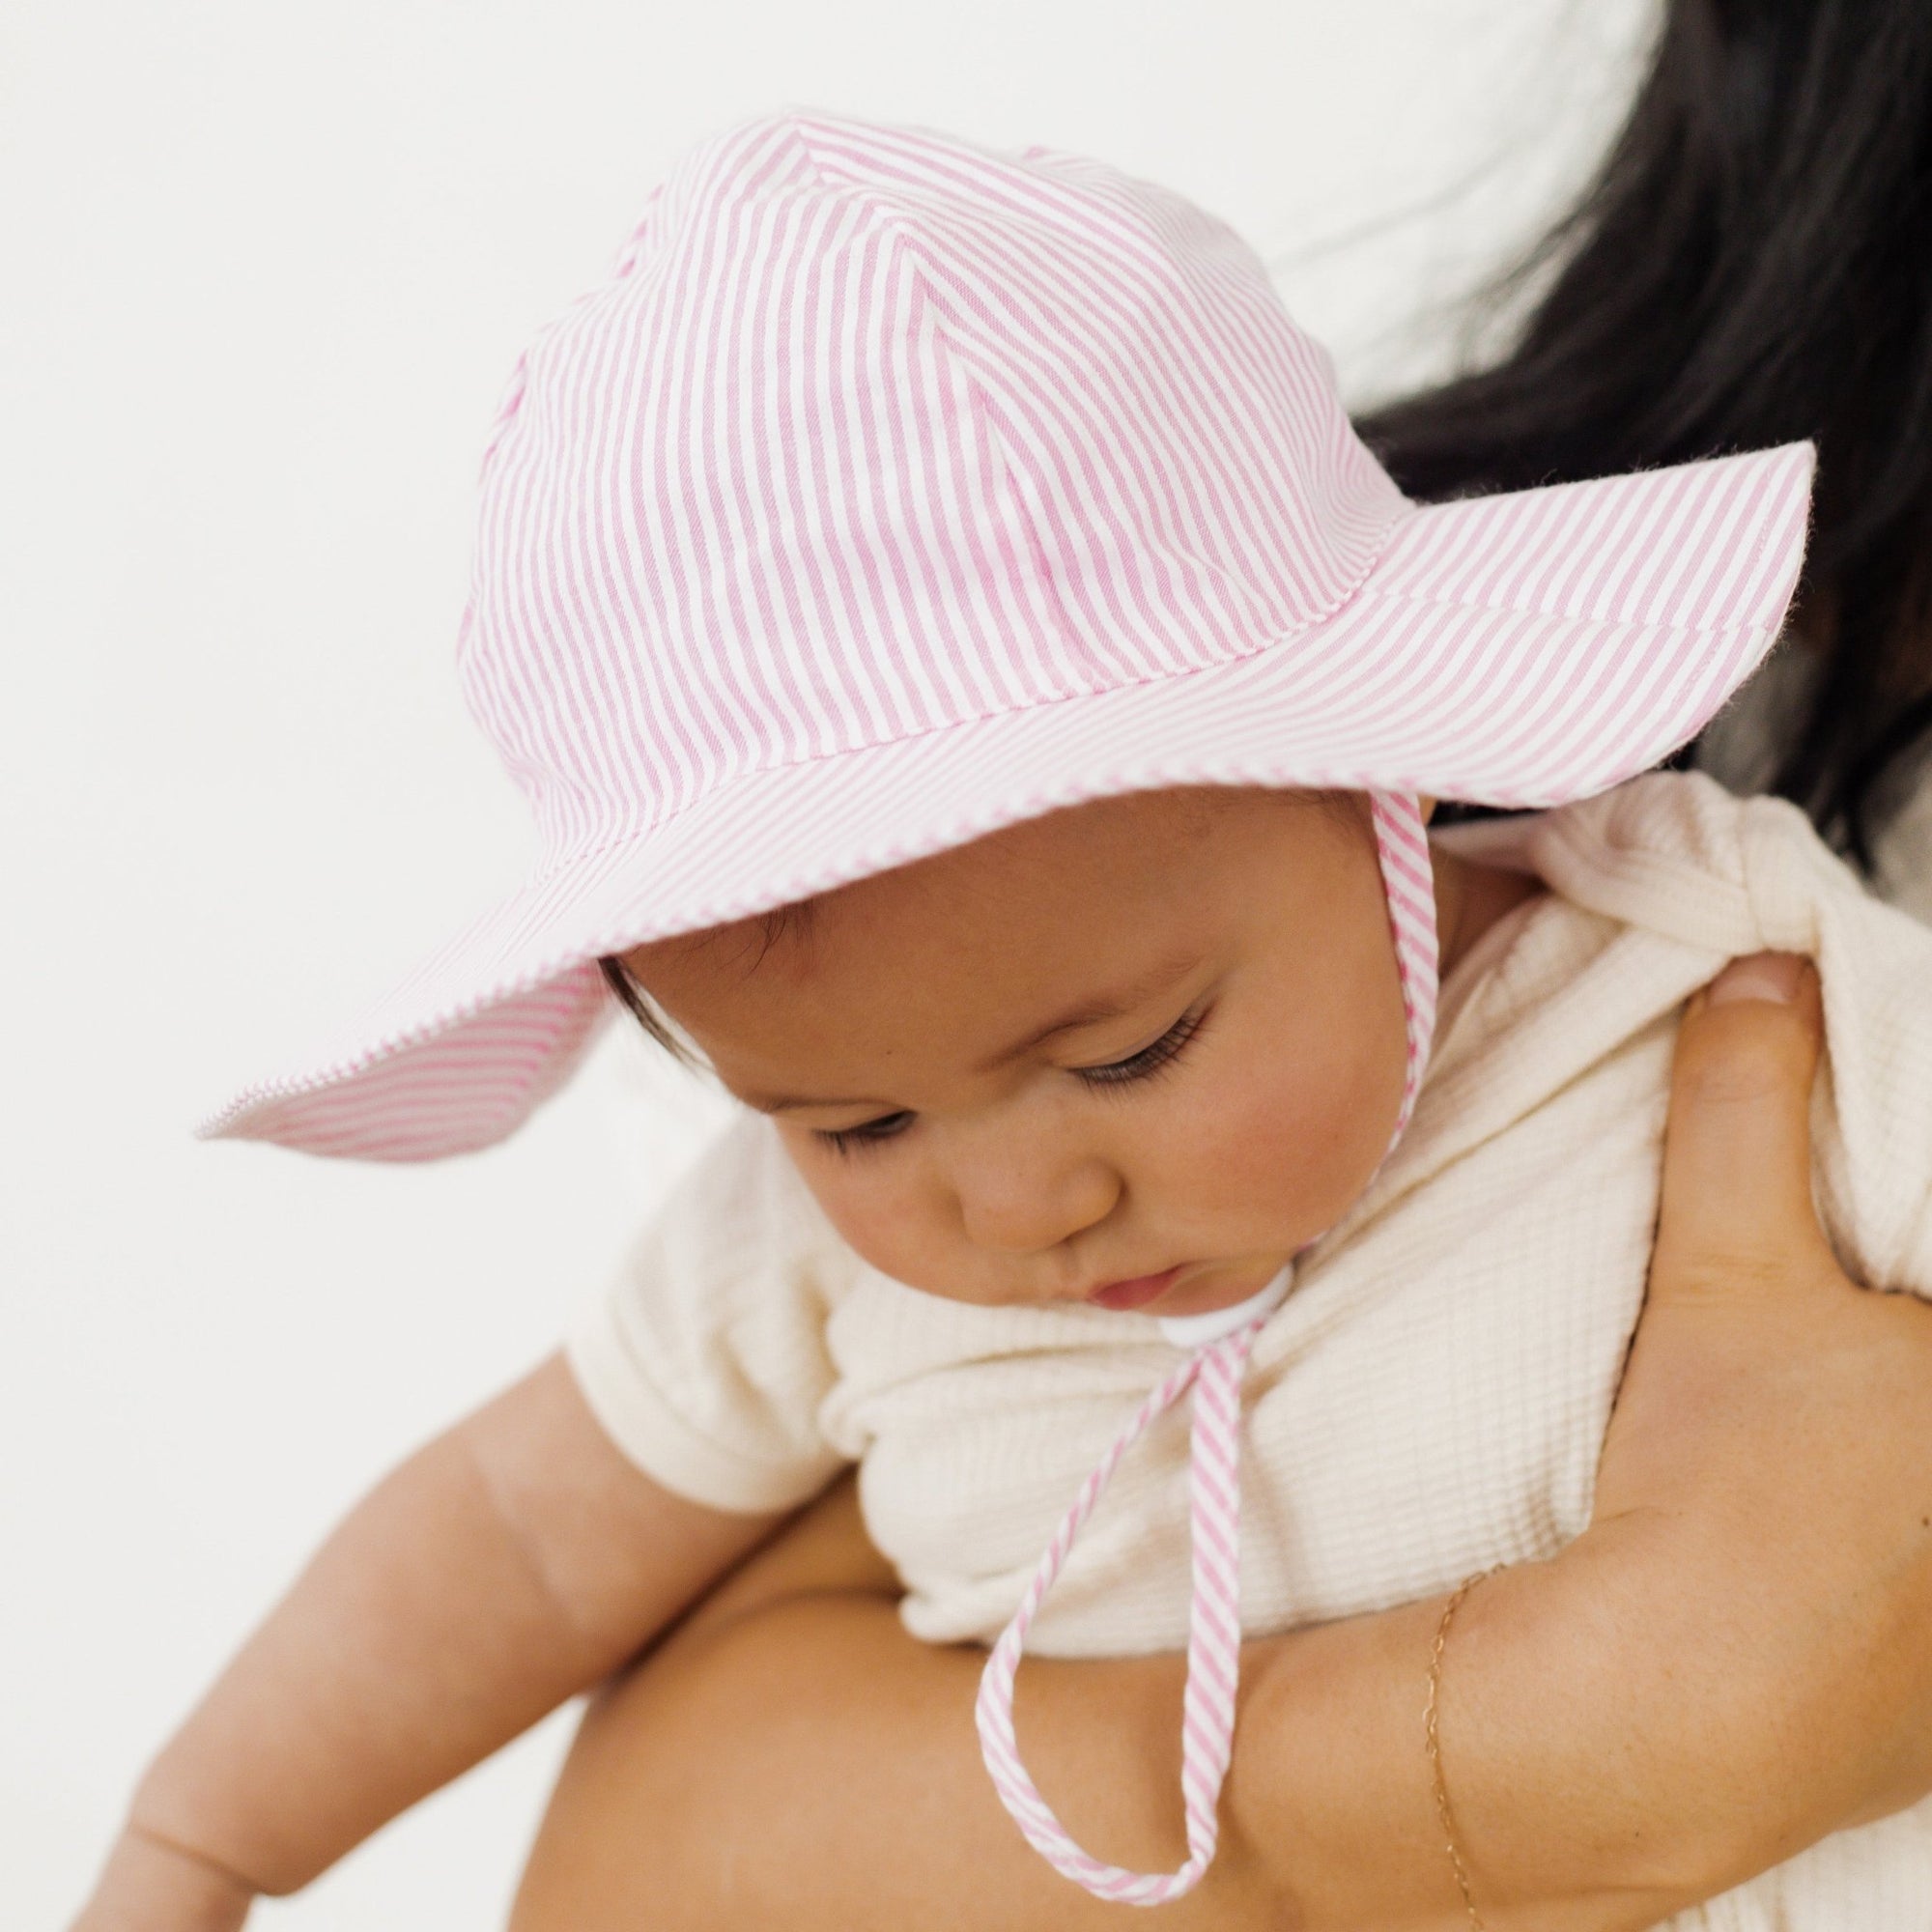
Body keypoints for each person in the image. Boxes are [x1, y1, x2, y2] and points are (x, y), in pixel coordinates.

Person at [70, 110, 1932, 1932]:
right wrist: (199, 1845)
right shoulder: (792, 1258)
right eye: (855, 1126)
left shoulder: (1692, 967)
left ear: (1384, 786)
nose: (1018, 1204)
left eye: (1128, 1056)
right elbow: (524, 1531)